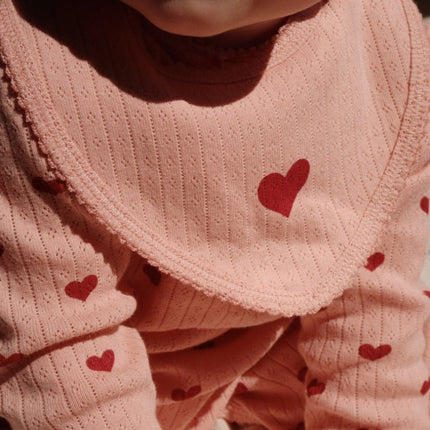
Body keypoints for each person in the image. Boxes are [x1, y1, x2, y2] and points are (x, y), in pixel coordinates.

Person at [1, 0, 430, 428]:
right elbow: (54, 351)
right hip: (82, 375)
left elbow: (376, 317)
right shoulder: (26, 56)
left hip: (265, 351)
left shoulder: (383, 45)